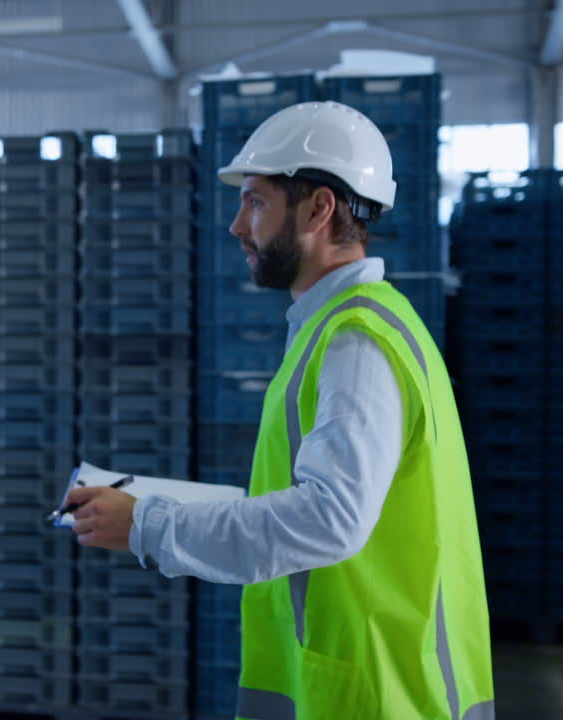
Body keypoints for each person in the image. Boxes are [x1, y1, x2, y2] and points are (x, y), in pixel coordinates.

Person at [65, 101, 495, 719]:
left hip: (377, 693)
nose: (238, 225)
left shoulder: (357, 341)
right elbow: (315, 499)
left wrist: (149, 527)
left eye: (257, 202)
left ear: (318, 209)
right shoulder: (344, 327)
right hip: (366, 676)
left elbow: (330, 519)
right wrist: (148, 506)